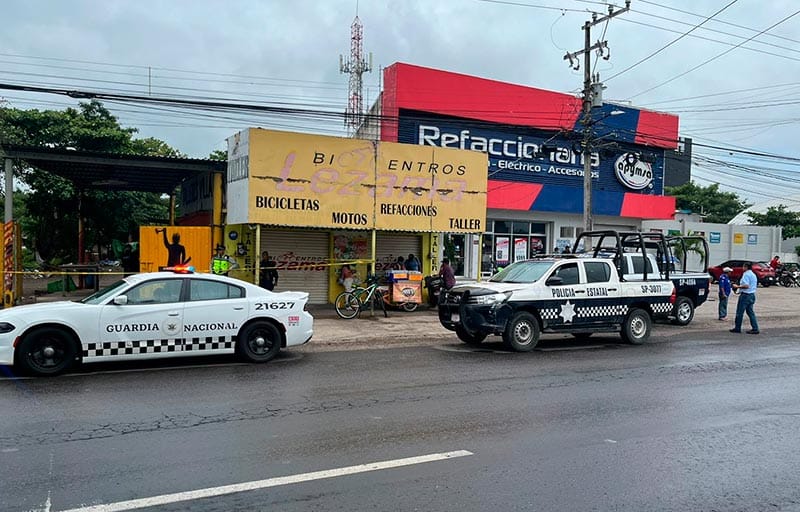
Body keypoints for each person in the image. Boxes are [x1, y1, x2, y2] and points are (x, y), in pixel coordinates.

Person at [730, 262, 759, 334]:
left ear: (746, 267)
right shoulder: (753, 274)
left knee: (740, 312)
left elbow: (746, 286)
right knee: (750, 312)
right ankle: (755, 328)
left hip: (745, 295)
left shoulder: (746, 274)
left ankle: (737, 327)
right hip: (752, 294)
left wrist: (737, 287)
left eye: (743, 267)